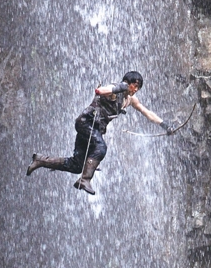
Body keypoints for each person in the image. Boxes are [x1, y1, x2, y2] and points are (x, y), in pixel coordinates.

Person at [26, 71, 173, 195]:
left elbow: (146, 111)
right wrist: (120, 87)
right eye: (134, 86)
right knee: (101, 148)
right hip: (86, 123)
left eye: (138, 88)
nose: (135, 90)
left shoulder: (130, 100)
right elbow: (100, 91)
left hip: (93, 130)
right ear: (127, 82)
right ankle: (85, 180)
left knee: (77, 165)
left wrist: (164, 125)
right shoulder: (116, 90)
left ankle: (41, 160)